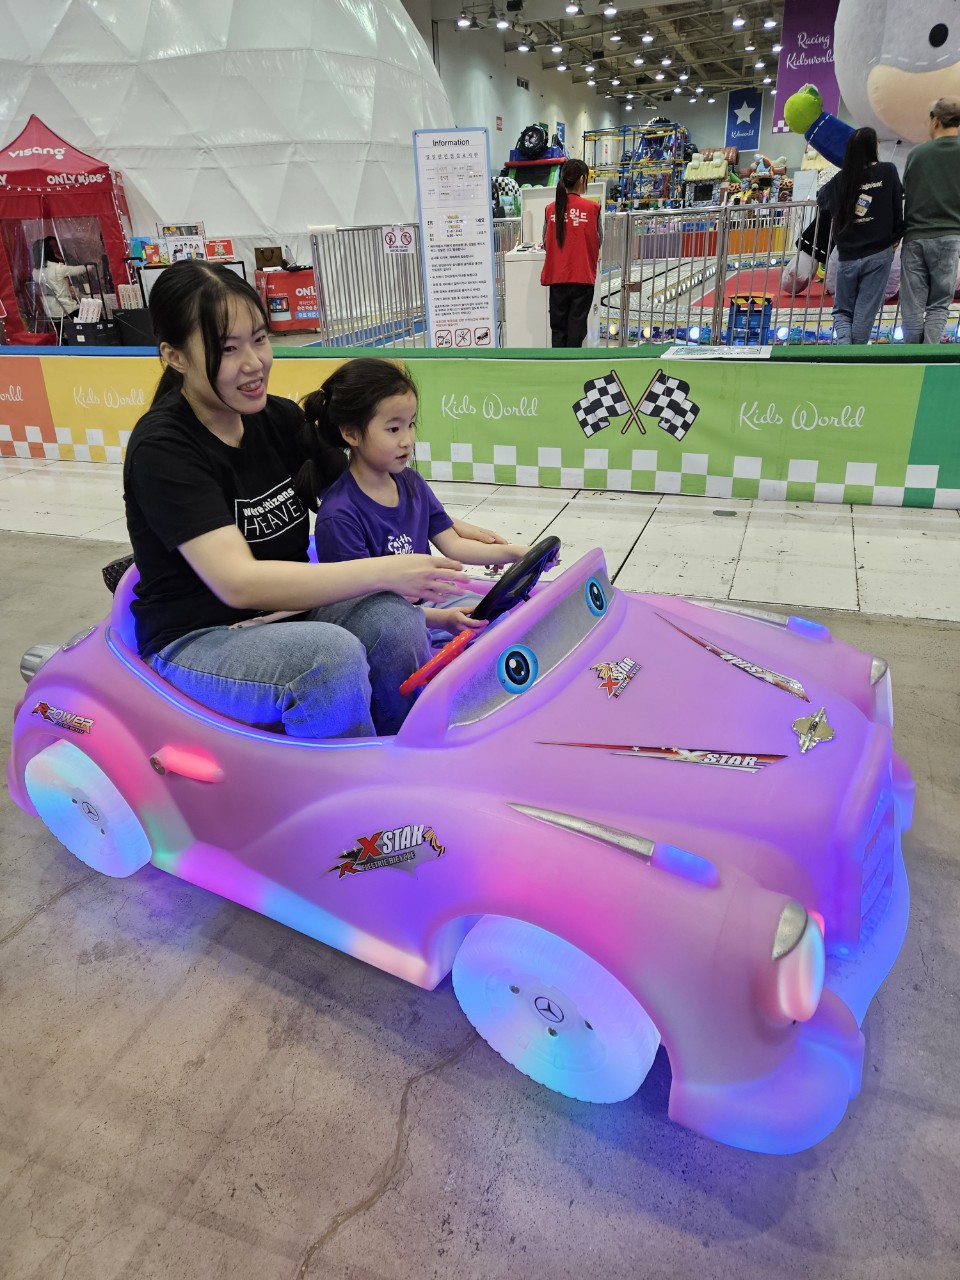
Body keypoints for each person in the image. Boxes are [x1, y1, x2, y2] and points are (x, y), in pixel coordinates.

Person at [123, 260, 473, 739]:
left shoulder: (276, 419)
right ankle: (348, 782)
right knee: (327, 660)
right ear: (175, 356)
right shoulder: (163, 448)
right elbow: (238, 584)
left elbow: (362, 494)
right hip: (198, 637)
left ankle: (400, 751)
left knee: (394, 617)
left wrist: (442, 526)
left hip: (290, 614)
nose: (254, 363)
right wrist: (389, 570)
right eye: (228, 348)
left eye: (259, 339)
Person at [304, 358, 529, 640]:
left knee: (498, 620)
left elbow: (454, 544)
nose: (407, 440)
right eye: (393, 429)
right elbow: (363, 610)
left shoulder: (411, 483)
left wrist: (517, 554)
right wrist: (440, 620)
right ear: (351, 433)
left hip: (431, 602)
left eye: (410, 424)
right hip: (387, 626)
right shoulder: (339, 516)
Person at [817, 127, 903, 344]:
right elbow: (897, 208)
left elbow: (821, 199)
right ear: (874, 147)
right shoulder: (888, 171)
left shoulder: (841, 179)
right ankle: (854, 354)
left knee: (842, 310)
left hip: (848, 253)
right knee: (865, 309)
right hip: (880, 251)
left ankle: (845, 350)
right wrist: (896, 237)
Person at [900, 96, 960, 344]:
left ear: (935, 120)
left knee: (912, 305)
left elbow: (906, 190)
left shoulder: (917, 154)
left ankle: (910, 357)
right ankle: (929, 355)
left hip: (915, 236)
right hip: (950, 236)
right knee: (939, 304)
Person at [540, 158, 602, 348]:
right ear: (582, 179)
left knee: (558, 329)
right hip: (582, 278)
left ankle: (558, 363)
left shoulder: (550, 209)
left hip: (557, 278)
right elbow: (599, 240)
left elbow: (545, 243)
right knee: (577, 328)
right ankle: (573, 361)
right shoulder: (593, 209)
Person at [31, 236, 86, 320]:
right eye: (52, 247)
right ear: (49, 250)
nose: (56, 248)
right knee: (94, 312)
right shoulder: (57, 268)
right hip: (67, 311)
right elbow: (79, 270)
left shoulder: (34, 272)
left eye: (57, 245)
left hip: (50, 312)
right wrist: (91, 266)